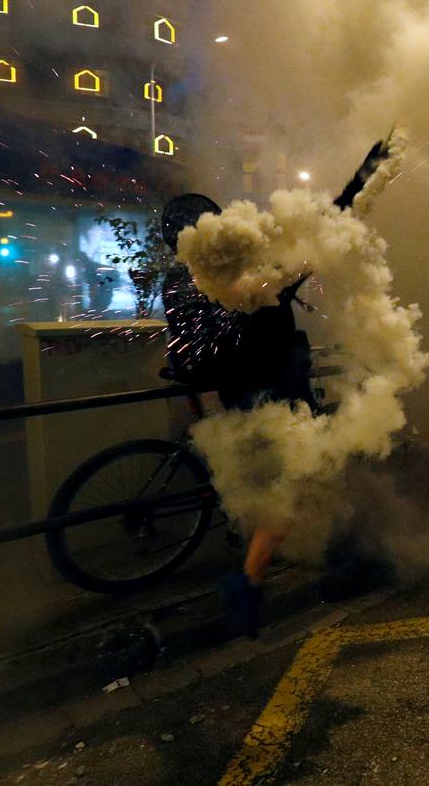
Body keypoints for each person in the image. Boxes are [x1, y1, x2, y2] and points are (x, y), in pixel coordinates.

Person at [160, 136, 394, 638]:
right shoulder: (250, 278)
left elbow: (191, 344)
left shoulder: (184, 281)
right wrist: (372, 167)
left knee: (290, 483)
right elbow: (332, 220)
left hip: (246, 398)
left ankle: (283, 567)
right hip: (276, 398)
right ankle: (252, 580)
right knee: (299, 480)